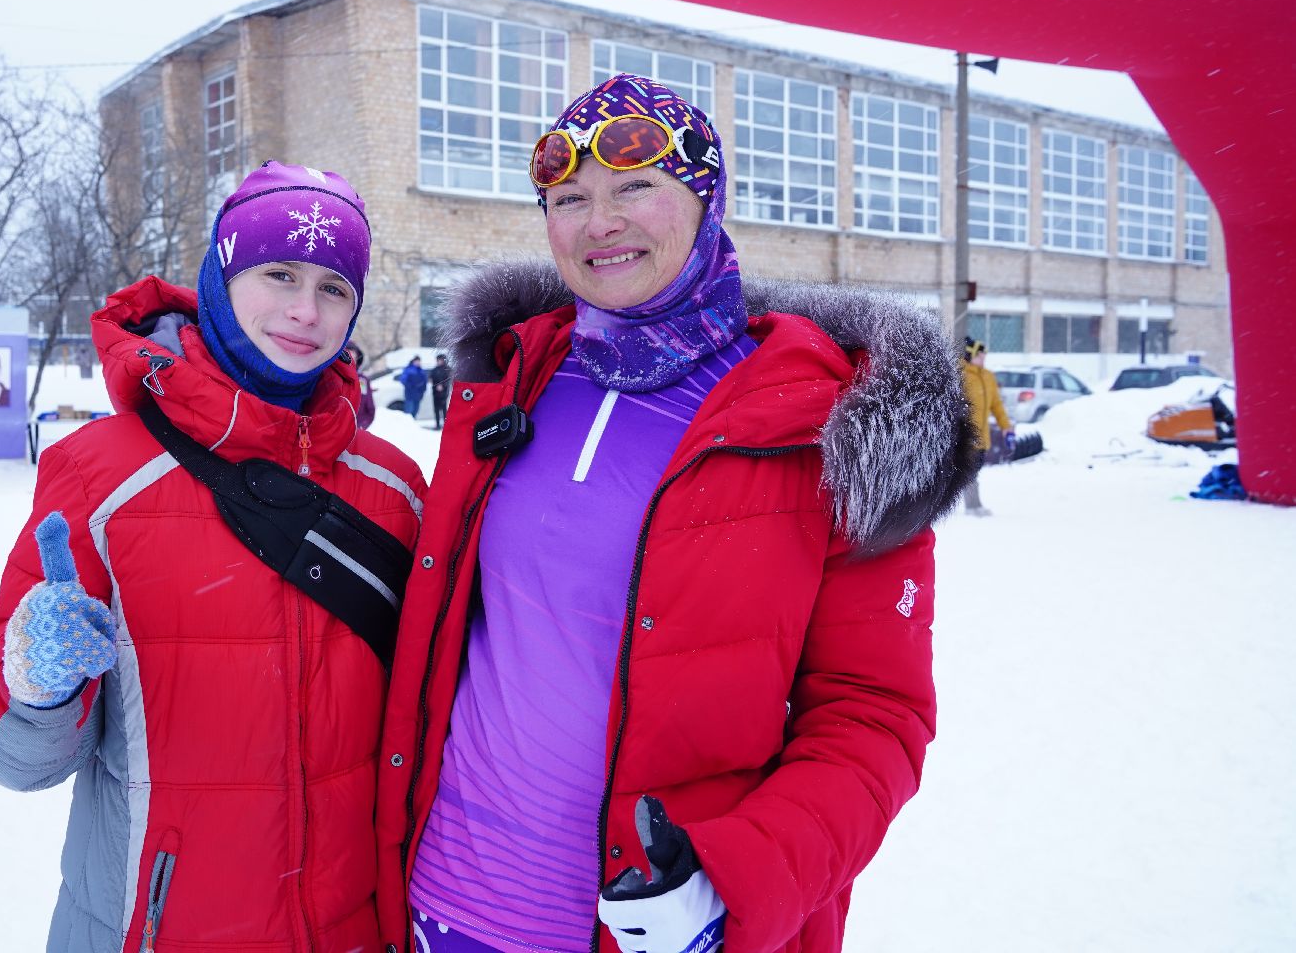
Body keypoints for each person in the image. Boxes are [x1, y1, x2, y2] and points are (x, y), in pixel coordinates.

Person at [374, 75, 978, 953]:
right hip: (444, 901)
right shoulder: (516, 375)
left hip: (652, 925)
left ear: (705, 198)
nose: (598, 222)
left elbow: (872, 716)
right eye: (567, 198)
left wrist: (734, 881)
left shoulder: (823, 418)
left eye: (635, 188)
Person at [0, 161, 427, 953]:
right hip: (153, 928)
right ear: (221, 272)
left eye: (334, 288)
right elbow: (14, 762)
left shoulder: (398, 486)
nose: (305, 311)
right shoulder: (101, 473)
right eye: (279, 274)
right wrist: (34, 684)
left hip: (355, 929)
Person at [960, 337, 1014, 516]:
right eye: (980, 356)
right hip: (965, 435)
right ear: (971, 355)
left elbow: (996, 405)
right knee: (969, 471)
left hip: (983, 435)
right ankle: (972, 505)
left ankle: (973, 504)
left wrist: (1006, 426)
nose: (983, 359)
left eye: (984, 356)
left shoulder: (988, 377)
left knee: (974, 469)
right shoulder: (960, 373)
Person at [348, 340, 378, 430]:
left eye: (353, 354)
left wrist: (360, 426)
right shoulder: (328, 378)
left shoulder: (363, 380)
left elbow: (370, 410)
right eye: (346, 353)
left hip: (356, 431)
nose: (350, 356)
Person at [429, 352, 453, 429]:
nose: (438, 361)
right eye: (438, 360)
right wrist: (434, 383)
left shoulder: (447, 369)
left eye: (440, 360)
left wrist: (442, 386)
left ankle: (446, 425)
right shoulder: (435, 369)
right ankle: (437, 424)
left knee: (443, 408)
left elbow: (448, 380)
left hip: (444, 392)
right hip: (435, 392)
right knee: (436, 409)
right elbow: (431, 378)